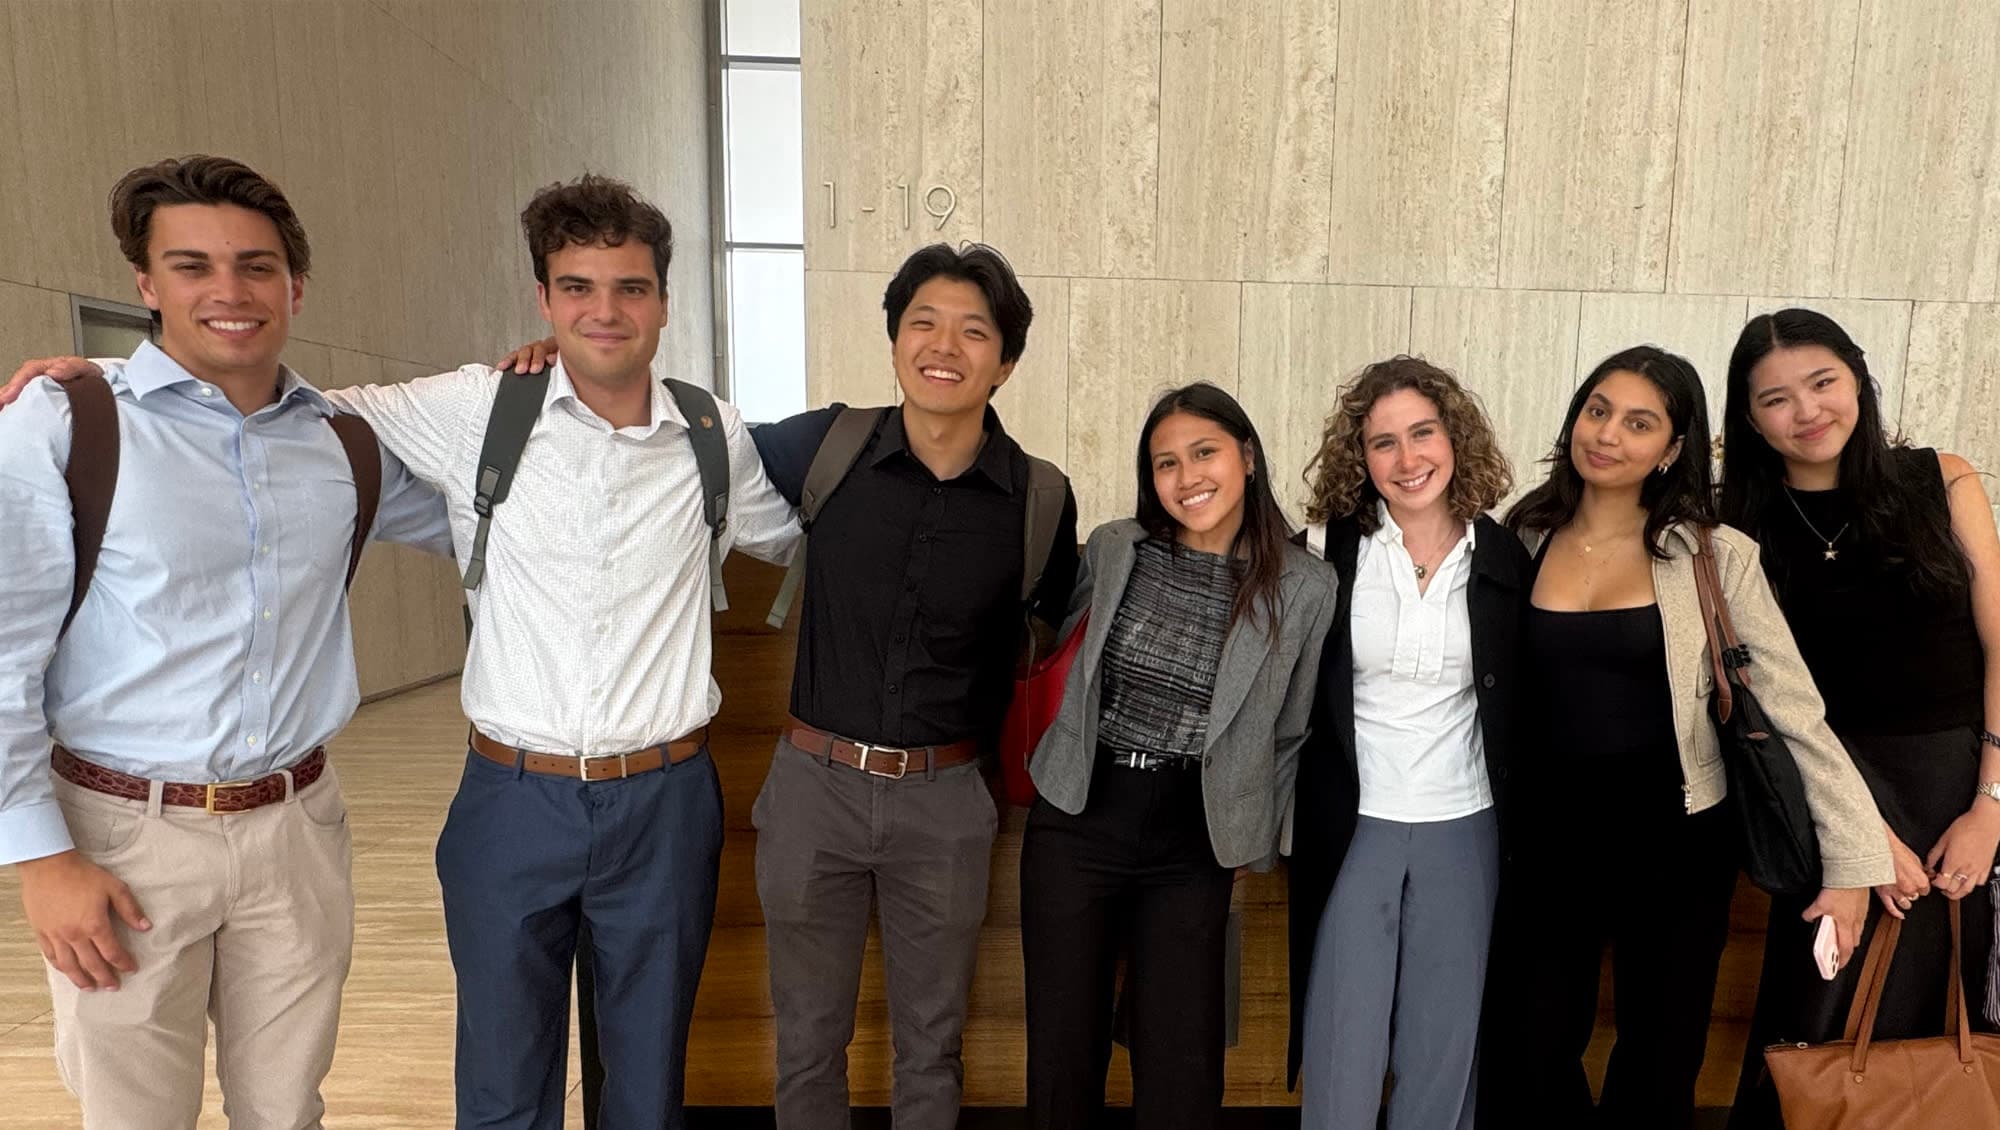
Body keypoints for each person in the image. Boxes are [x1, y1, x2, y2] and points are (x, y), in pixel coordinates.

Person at [11, 173, 801, 1130]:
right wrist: (99, 380)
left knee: (641, 1084)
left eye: (630, 288)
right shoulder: (466, 409)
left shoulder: (712, 439)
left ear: (665, 302)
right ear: (544, 299)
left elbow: (809, 532)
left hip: (656, 799)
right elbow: (272, 405)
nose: (605, 310)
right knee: (502, 1085)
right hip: (502, 799)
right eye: (578, 288)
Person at [0, 155, 452, 1128]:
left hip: (297, 828)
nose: (228, 291)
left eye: (255, 265)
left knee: (287, 1111)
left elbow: (505, 513)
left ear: (294, 284)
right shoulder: (69, 421)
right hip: (123, 836)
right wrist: (40, 857)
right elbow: (2, 655)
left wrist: (538, 376)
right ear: (146, 283)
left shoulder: (344, 443)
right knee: (134, 1117)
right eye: (193, 264)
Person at [1484, 345, 1893, 1130]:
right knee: (1533, 1046)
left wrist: (1852, 862)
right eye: (1597, 410)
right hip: (1544, 838)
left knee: (1661, 1052)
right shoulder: (1524, 535)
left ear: (1673, 448)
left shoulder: (1712, 554)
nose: (1606, 434)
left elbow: (1794, 713)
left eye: (1639, 423)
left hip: (1676, 837)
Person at [746, 243, 1079, 1130]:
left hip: (946, 802)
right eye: (924, 322)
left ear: (1004, 363)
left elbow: (1048, 629)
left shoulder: (1039, 497)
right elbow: (682, 442)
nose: (945, 345)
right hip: (812, 789)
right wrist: (557, 368)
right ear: (895, 338)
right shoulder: (825, 446)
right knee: (808, 1043)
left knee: (932, 1049)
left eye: (975, 331)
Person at [1019, 382, 1335, 1130]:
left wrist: (1263, 842)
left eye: (1204, 453)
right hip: (1080, 813)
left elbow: (1291, 731)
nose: (1187, 477)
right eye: (1166, 463)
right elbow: (1068, 658)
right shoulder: (1116, 547)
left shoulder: (1306, 587)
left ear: (1247, 457)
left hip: (1196, 833)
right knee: (1065, 1051)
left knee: (1182, 1061)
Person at [1718, 309, 2000, 1128]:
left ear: (1859, 381)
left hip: (1959, 789)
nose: (1806, 411)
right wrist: (1859, 832)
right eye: (1775, 398)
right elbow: (1760, 704)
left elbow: (1997, 641)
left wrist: (1992, 803)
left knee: (1949, 1026)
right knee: (1821, 1021)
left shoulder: (1942, 478)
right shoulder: (1738, 527)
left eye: (1822, 383)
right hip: (1826, 791)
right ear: (1749, 418)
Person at [1285, 357, 1528, 1130]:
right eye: (1382, 442)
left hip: (1468, 823)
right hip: (1354, 824)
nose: (1407, 458)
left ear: (1455, 439)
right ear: (1361, 457)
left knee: (1443, 1050)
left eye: (1422, 433)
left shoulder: (1503, 557)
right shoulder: (1323, 550)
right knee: (1341, 1048)